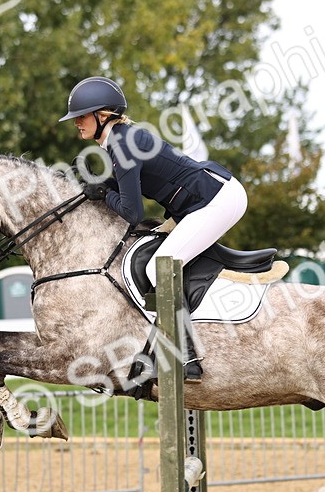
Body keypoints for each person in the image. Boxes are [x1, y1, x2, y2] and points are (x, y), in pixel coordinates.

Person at [62, 76, 247, 381]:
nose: (76, 123)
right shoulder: (120, 140)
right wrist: (97, 186)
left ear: (102, 115)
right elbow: (124, 187)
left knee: (158, 267)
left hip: (217, 200)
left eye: (81, 117)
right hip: (200, 200)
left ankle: (187, 356)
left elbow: (132, 212)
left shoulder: (122, 143)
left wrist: (102, 192)